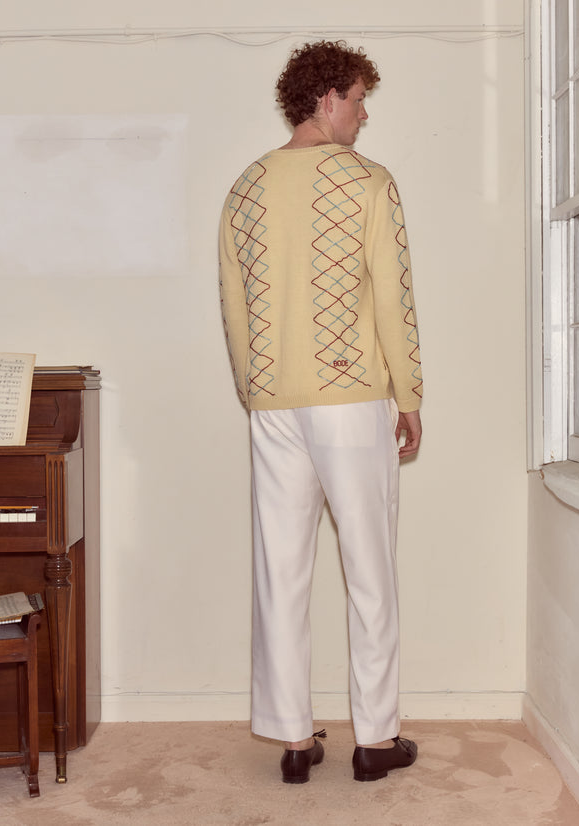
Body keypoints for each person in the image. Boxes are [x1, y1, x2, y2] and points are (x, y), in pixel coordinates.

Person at [219, 40, 423, 784]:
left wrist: (257, 389)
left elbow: (234, 309)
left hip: (274, 403)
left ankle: (294, 740)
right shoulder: (370, 184)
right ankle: (375, 740)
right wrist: (411, 394)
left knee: (282, 569)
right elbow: (394, 302)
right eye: (362, 99)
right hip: (351, 400)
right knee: (370, 568)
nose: (366, 116)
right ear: (328, 96)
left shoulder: (246, 186)